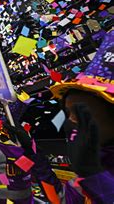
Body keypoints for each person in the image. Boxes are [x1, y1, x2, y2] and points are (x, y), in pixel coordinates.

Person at [31, 29, 114, 203]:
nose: (69, 123)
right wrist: (35, 156)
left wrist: (94, 176)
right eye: (68, 114)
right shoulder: (79, 181)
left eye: (81, 113)